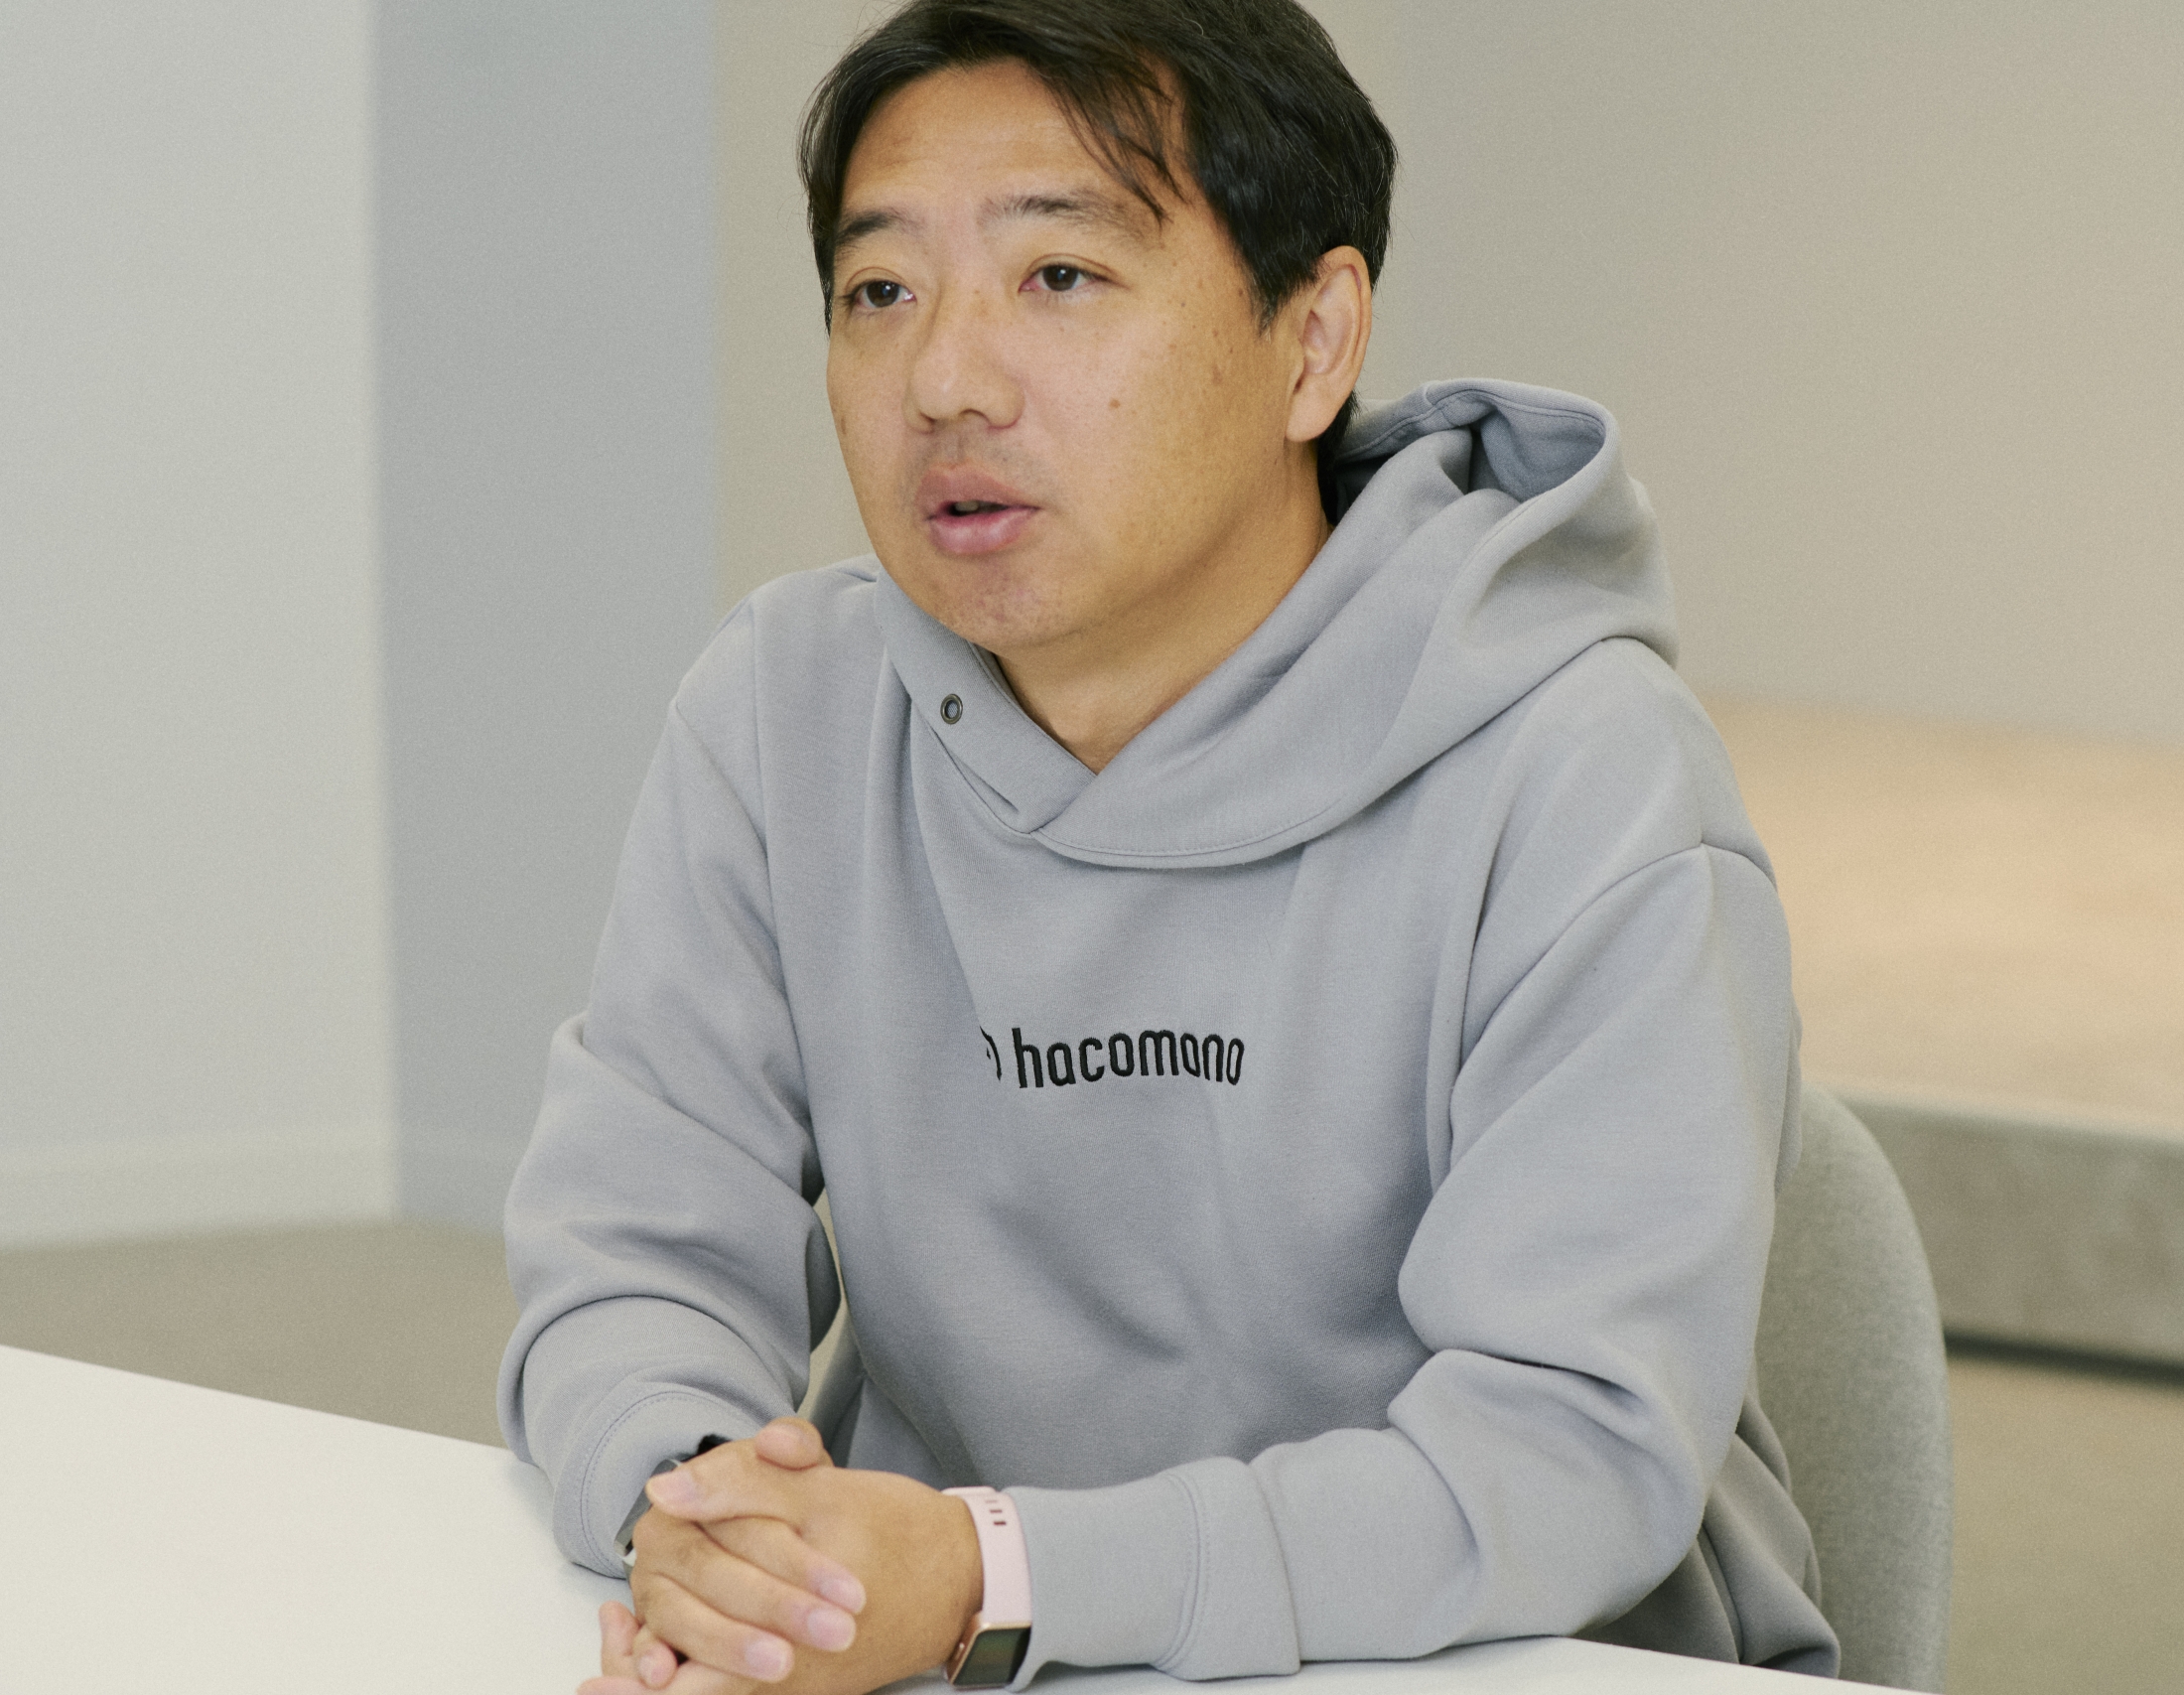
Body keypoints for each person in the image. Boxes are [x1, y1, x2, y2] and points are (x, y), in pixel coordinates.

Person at [498, 2, 1839, 1691]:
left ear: (1313, 343)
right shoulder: (789, 708)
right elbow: (633, 1239)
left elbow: (1564, 1455)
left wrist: (998, 1574)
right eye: (880, 291)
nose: (946, 381)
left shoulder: (1584, 777)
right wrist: (713, 1520)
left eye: (1059, 276)